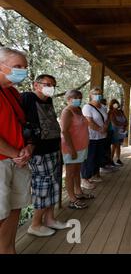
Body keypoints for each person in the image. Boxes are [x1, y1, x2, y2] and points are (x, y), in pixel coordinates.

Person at [21, 74, 68, 236]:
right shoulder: (27, 97)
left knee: (54, 185)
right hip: (39, 152)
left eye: (53, 85)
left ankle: (50, 219)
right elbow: (20, 122)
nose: (51, 87)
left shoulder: (48, 100)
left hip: (53, 148)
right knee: (43, 187)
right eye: (47, 84)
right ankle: (35, 224)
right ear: (36, 85)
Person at [0, 47, 33, 253]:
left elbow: (22, 125)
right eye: (17, 66)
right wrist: (15, 153)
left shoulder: (12, 92)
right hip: (4, 160)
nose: (22, 71)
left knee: (15, 208)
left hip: (19, 159)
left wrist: (27, 147)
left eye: (24, 67)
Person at [60, 90, 92, 210]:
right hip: (71, 148)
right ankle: (72, 199)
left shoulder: (78, 110)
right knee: (70, 173)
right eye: (75, 97)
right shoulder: (67, 112)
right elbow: (64, 131)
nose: (78, 99)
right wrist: (71, 149)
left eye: (79, 97)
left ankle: (79, 192)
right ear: (68, 98)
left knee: (77, 171)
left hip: (81, 147)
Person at [81, 87, 108, 189]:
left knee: (98, 156)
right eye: (95, 93)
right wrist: (99, 129)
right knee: (89, 158)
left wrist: (105, 127)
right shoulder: (87, 107)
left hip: (102, 136)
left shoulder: (103, 107)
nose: (98, 96)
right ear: (90, 95)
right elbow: (89, 121)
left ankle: (94, 175)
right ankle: (84, 179)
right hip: (91, 137)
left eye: (99, 93)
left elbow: (106, 119)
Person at [109, 99, 128, 166]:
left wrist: (124, 126)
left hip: (121, 131)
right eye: (114, 103)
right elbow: (115, 122)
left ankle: (118, 159)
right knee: (114, 145)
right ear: (111, 105)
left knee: (118, 145)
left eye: (116, 103)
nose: (115, 104)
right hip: (114, 131)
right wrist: (123, 125)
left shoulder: (121, 111)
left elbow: (126, 120)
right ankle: (111, 160)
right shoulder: (111, 112)